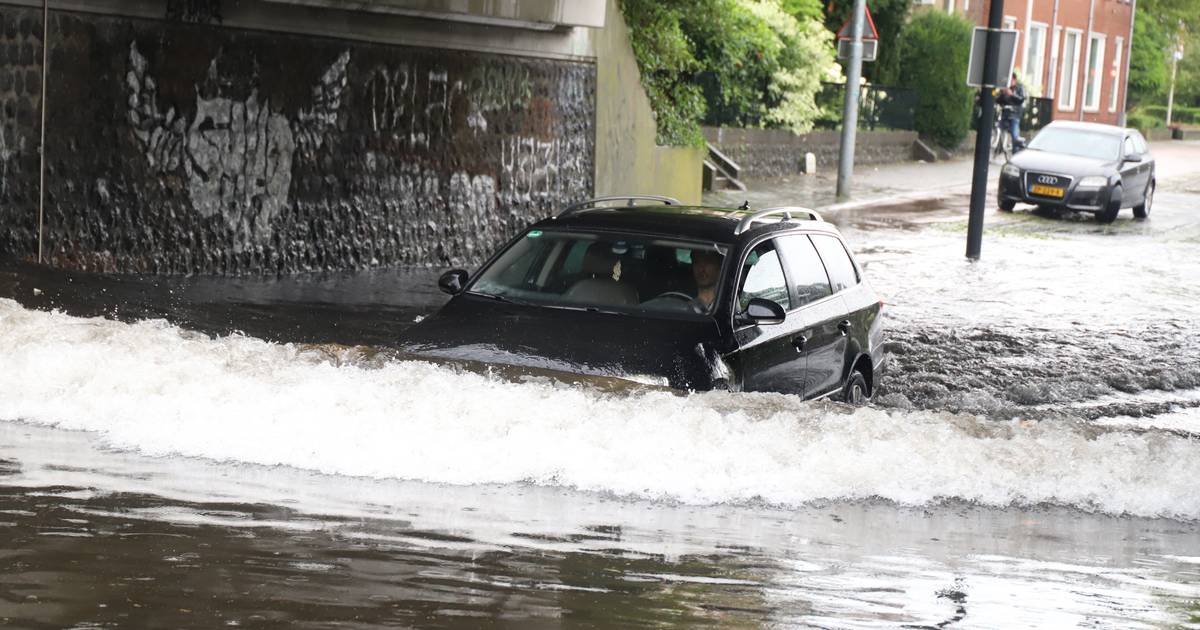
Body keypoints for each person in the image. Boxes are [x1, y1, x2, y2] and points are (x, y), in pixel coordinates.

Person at [997, 72, 1026, 152]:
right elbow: (998, 100)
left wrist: (1011, 94)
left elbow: (1021, 99)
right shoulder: (1005, 88)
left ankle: (1015, 153)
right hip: (1005, 115)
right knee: (999, 129)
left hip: (1014, 116)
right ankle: (998, 149)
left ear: (1014, 80)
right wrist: (1002, 93)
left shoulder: (1020, 88)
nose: (1009, 82)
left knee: (1014, 135)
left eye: (1011, 80)